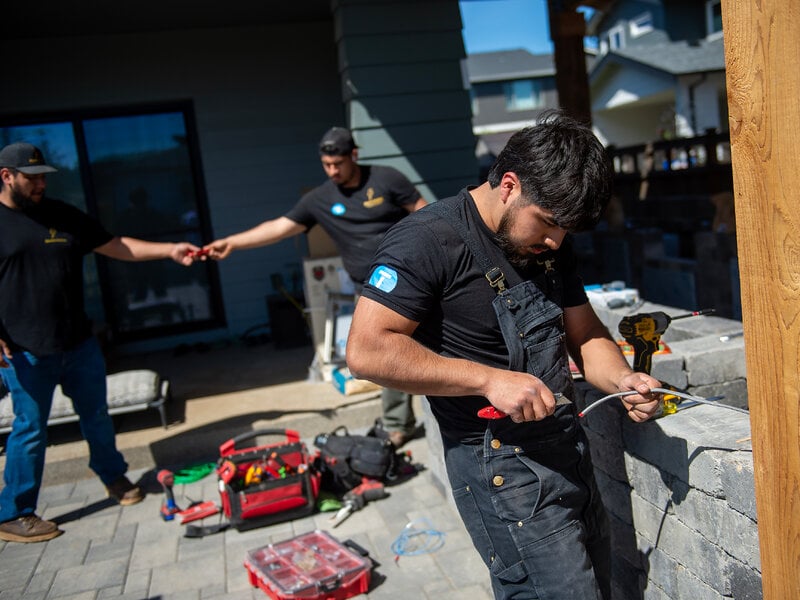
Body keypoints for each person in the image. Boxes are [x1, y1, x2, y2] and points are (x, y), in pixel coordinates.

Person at [346, 112, 663, 599]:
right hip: (500, 469)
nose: (555, 242)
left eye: (565, 232)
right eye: (549, 224)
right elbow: (366, 351)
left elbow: (584, 333)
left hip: (566, 450)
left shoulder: (550, 244)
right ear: (509, 186)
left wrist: (623, 379)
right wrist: (489, 379)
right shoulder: (426, 240)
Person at [0, 142, 201, 543]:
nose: (40, 184)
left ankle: (112, 476)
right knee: (30, 430)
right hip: (26, 350)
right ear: (6, 176)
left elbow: (116, 245)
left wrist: (170, 250)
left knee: (97, 416)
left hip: (78, 343)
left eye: (43, 177)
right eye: (31, 177)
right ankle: (14, 513)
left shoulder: (61, 214)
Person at [204, 127, 427, 447]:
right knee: (385, 353)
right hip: (372, 290)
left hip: (414, 276)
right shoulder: (320, 199)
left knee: (438, 343)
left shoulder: (387, 178)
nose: (332, 171)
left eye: (338, 163)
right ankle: (398, 424)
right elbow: (278, 228)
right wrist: (232, 243)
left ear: (354, 155)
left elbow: (424, 213)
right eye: (326, 165)